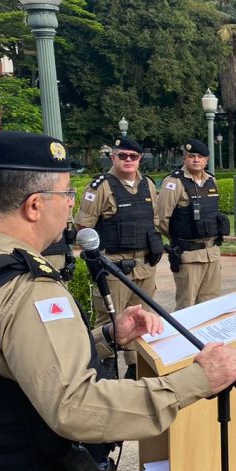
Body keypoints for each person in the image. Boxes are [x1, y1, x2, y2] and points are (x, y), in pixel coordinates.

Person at [0, 131, 236, 471]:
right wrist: (197, 380)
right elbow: (76, 407)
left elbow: (7, 365)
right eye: (66, 194)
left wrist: (108, 338)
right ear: (34, 205)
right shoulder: (27, 291)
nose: (72, 204)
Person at [76, 135, 163, 327]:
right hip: (114, 270)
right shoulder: (100, 187)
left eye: (134, 156)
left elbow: (154, 220)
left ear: (140, 158)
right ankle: (107, 359)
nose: (129, 160)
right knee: (110, 327)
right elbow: (83, 228)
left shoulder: (147, 184)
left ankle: (135, 359)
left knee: (142, 324)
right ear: (112, 157)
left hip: (145, 269)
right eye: (123, 156)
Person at [155, 140, 228, 310]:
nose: (196, 160)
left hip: (212, 253)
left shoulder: (212, 180)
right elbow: (161, 219)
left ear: (207, 160)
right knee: (187, 307)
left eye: (200, 156)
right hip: (188, 255)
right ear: (184, 158)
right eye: (191, 156)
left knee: (212, 305)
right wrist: (179, 237)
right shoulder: (174, 182)